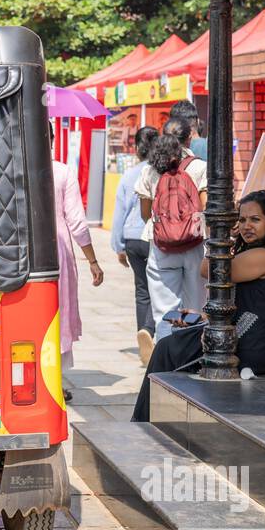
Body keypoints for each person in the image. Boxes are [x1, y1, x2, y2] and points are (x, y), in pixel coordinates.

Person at [132, 191, 265, 422]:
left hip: (256, 345)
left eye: (255, 219)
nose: (246, 226)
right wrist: (202, 316)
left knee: (167, 348)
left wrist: (224, 237)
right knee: (173, 344)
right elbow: (246, 302)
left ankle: (144, 420)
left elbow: (210, 269)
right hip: (257, 337)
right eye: (241, 220)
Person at [138, 131, 208, 340]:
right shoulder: (199, 167)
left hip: (162, 247)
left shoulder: (149, 171)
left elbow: (145, 213)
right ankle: (192, 353)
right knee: (195, 306)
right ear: (186, 142)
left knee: (164, 310)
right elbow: (204, 206)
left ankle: (165, 357)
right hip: (195, 243)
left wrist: (167, 229)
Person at [53, 156, 104, 400]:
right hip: (57, 252)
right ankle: (53, 381)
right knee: (58, 312)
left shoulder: (13, 167)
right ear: (50, 140)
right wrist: (92, 260)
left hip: (18, 253)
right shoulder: (62, 172)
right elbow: (76, 221)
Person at [113, 126, 158, 357]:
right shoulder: (158, 172)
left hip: (131, 238)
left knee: (141, 289)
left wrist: (118, 246)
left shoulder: (129, 175)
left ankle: (143, 331)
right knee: (157, 287)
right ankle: (151, 331)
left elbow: (119, 212)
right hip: (152, 236)